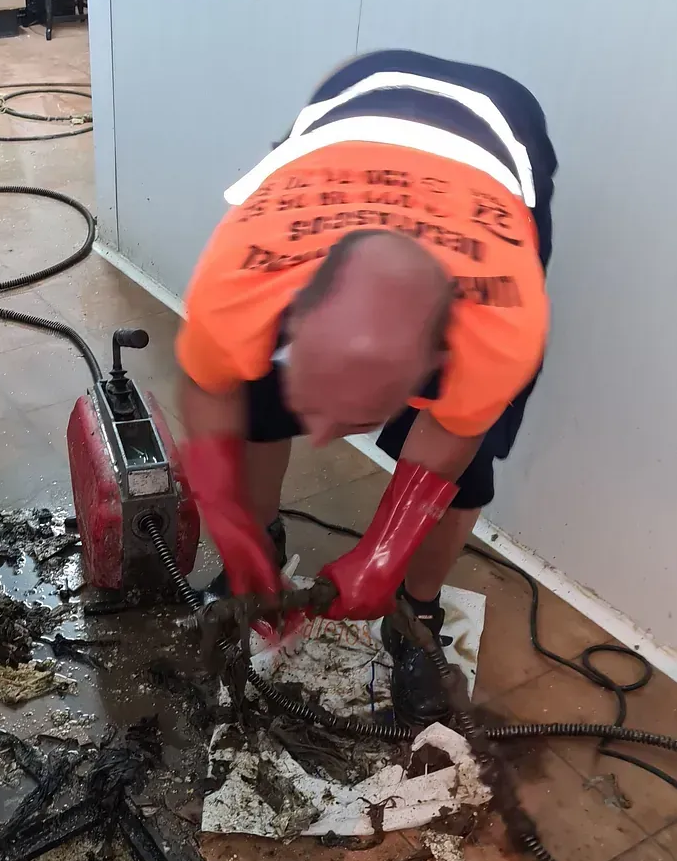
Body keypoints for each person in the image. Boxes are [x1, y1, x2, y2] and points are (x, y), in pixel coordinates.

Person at [175, 50, 556, 726]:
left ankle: (419, 610)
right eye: (315, 408)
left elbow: (454, 436)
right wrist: (232, 527)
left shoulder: (501, 321)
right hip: (357, 102)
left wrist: (387, 550)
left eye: (348, 416)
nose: (323, 437)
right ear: (299, 311)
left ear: (429, 360)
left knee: (465, 469)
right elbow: (211, 392)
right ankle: (261, 551)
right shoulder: (239, 278)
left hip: (499, 134)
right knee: (256, 394)